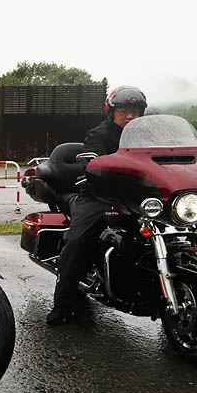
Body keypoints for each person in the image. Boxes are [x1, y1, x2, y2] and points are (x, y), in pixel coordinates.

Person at [45, 85, 147, 325]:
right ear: (111, 111)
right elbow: (94, 161)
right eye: (123, 110)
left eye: (135, 109)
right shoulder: (99, 134)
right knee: (78, 241)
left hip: (139, 197)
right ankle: (62, 304)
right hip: (99, 196)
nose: (130, 115)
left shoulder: (147, 136)